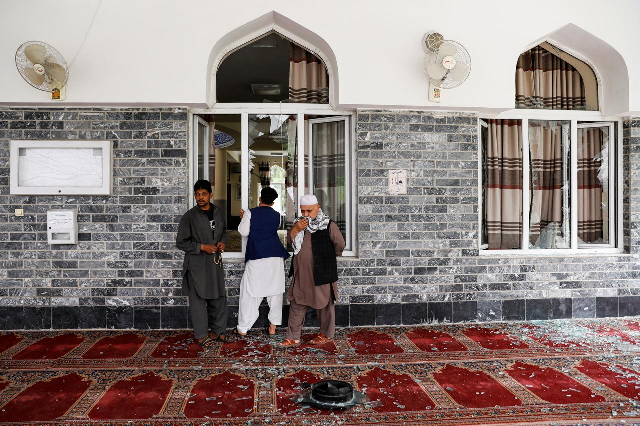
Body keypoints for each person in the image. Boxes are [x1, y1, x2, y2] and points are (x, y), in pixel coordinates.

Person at [280, 194, 345, 347]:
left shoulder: (328, 224)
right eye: (302, 211)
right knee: (297, 302)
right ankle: (293, 336)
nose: (305, 215)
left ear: (318, 208)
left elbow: (340, 244)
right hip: (301, 274)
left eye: (309, 211)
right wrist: (296, 229)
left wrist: (327, 256)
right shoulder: (298, 223)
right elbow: (290, 242)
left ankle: (326, 334)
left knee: (324, 304)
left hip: (321, 272)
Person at [176, 180, 234, 347]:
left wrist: (222, 242)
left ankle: (218, 332)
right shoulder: (189, 217)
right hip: (197, 265)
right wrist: (201, 247)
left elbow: (222, 232)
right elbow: (181, 242)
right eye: (197, 194)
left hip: (215, 262)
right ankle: (201, 335)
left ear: (210, 195)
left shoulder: (218, 212)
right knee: (198, 300)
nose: (200, 197)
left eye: (203, 194)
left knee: (219, 298)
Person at [235, 187, 290, 337]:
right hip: (275, 256)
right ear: (273, 202)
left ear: (260, 199)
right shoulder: (277, 215)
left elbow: (244, 232)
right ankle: (272, 328)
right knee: (275, 293)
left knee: (250, 293)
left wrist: (244, 219)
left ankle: (243, 328)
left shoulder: (250, 212)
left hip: (257, 255)